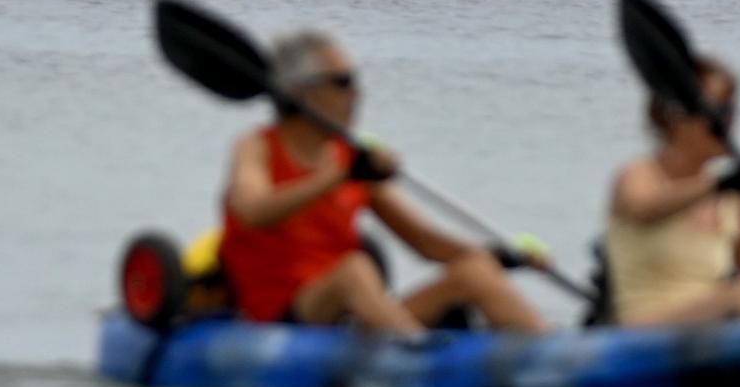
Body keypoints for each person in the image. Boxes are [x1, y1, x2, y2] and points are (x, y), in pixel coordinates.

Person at [218, 31, 545, 333]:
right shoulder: (256, 147)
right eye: (343, 82)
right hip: (286, 313)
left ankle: (555, 356)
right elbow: (253, 211)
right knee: (354, 270)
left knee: (475, 271)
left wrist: (501, 257)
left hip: (354, 312)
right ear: (304, 93)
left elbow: (424, 241)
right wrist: (337, 177)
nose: (357, 94)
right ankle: (417, 354)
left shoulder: (352, 160)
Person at [603, 56, 740, 326]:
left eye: (733, 111)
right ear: (677, 117)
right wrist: (719, 184)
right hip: (642, 332)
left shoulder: (732, 196)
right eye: (720, 112)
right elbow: (644, 208)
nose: (731, 122)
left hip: (707, 330)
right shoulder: (638, 174)